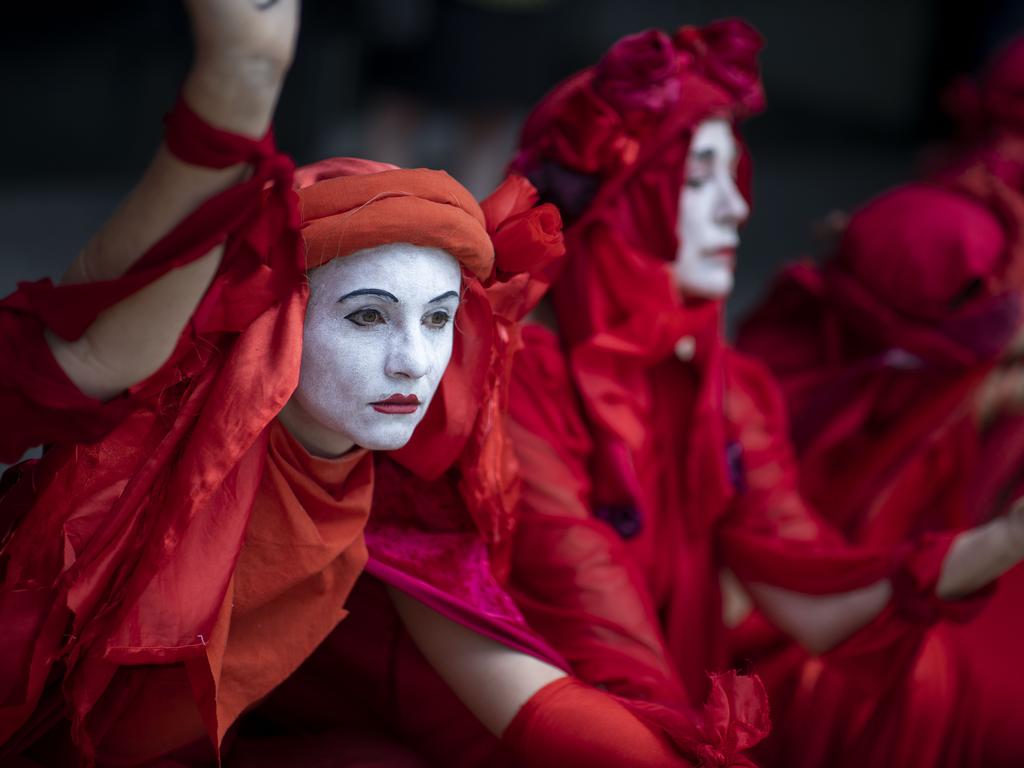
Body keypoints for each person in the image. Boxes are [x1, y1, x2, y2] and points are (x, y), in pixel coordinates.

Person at [0, 3, 764, 765]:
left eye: (438, 321)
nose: (413, 363)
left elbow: (526, 693)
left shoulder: (398, 487)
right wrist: (237, 87)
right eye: (367, 318)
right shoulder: (159, 434)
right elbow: (94, 329)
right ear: (281, 318)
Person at [502, 18, 1024, 766]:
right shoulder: (525, 384)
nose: (737, 208)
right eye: (696, 180)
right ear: (625, 197)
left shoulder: (726, 385)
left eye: (733, 175)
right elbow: (602, 641)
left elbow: (811, 595)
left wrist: (1006, 538)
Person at [737, 169, 1024, 766]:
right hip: (795, 657)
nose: (733, 208)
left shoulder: (811, 360)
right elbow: (807, 600)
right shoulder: (774, 418)